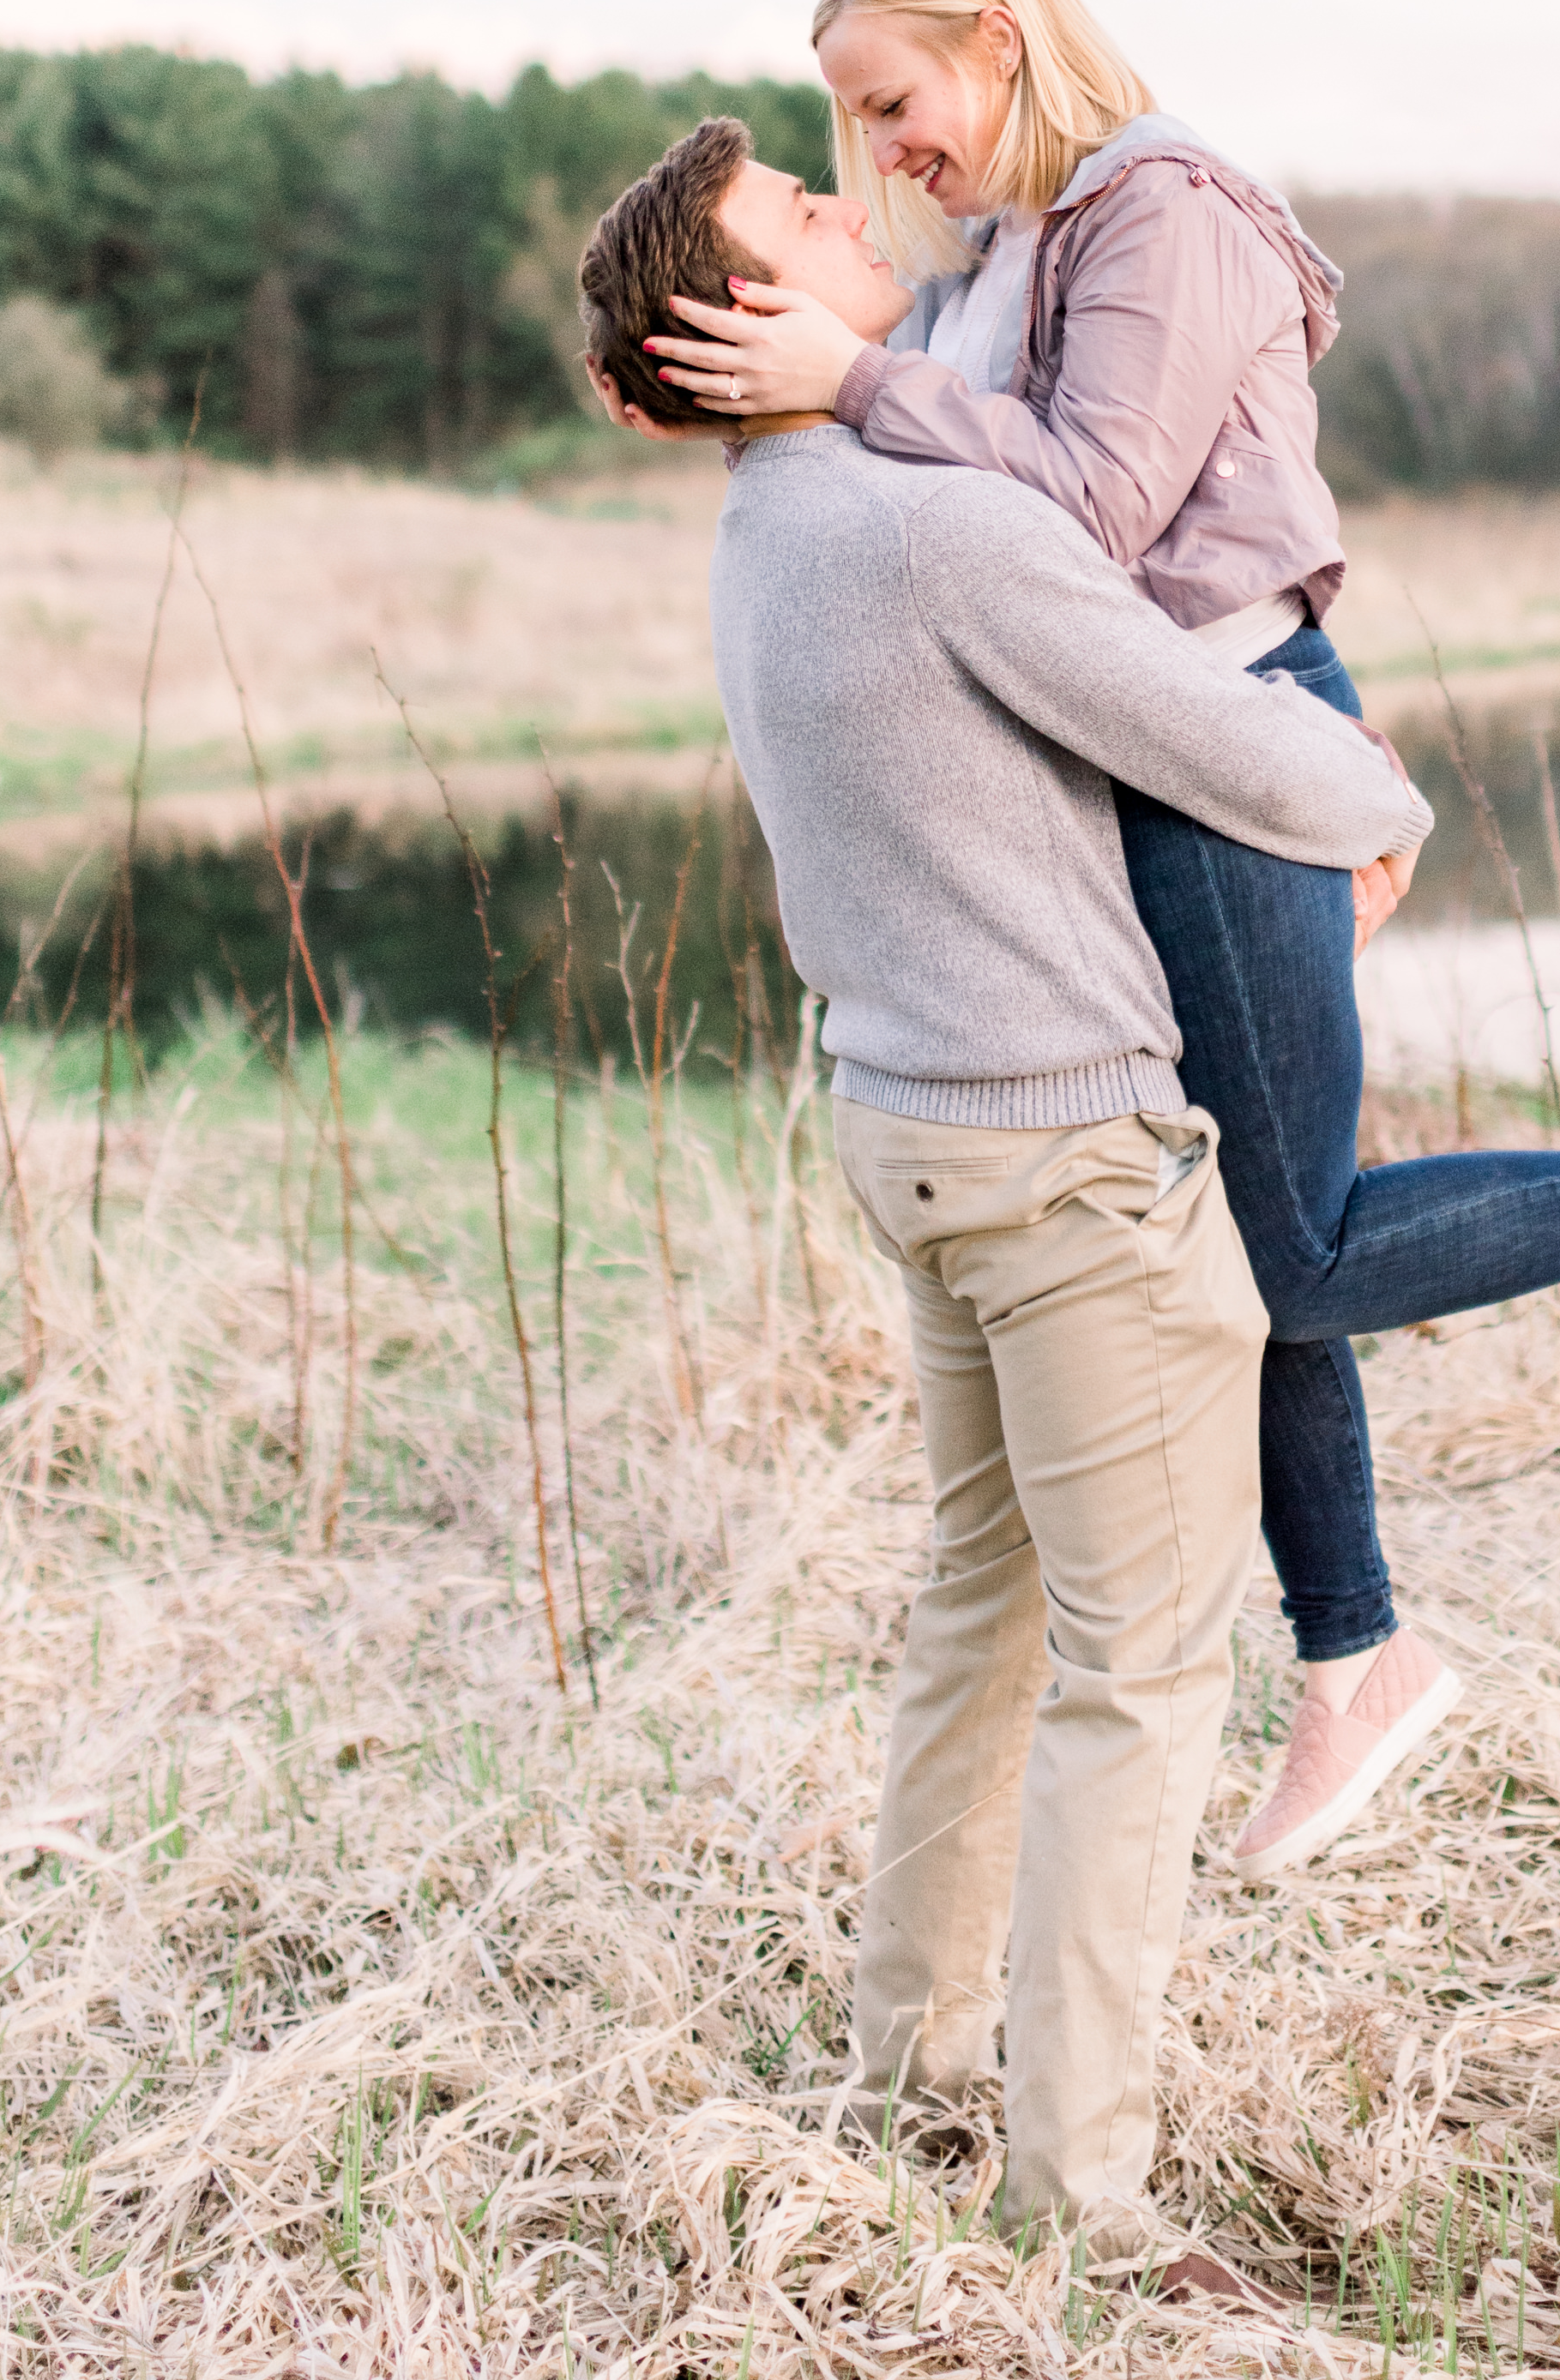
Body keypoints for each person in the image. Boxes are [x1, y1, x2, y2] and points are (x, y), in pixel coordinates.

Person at [627, 0, 1560, 1877]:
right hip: (1155, 752)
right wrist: (735, 392)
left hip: (1238, 738)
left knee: (1285, 1253)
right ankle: (1356, 1657)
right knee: (1251, 1214)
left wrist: (851, 377)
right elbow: (929, 510)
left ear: (999, 38)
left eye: (891, 105)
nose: (880, 156)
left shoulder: (1164, 211)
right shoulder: (1007, 248)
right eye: (846, 134)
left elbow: (1085, 508)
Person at [578, 114, 1437, 2247]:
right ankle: (1080, 2193)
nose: (846, 206)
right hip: (1066, 1168)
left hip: (912, 1137)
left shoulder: (770, 532)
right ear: (739, 314)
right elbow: (1245, 742)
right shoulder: (936, 531)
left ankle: (911, 2064)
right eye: (797, 210)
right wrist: (1371, 787)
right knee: (1137, 1681)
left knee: (982, 1606)